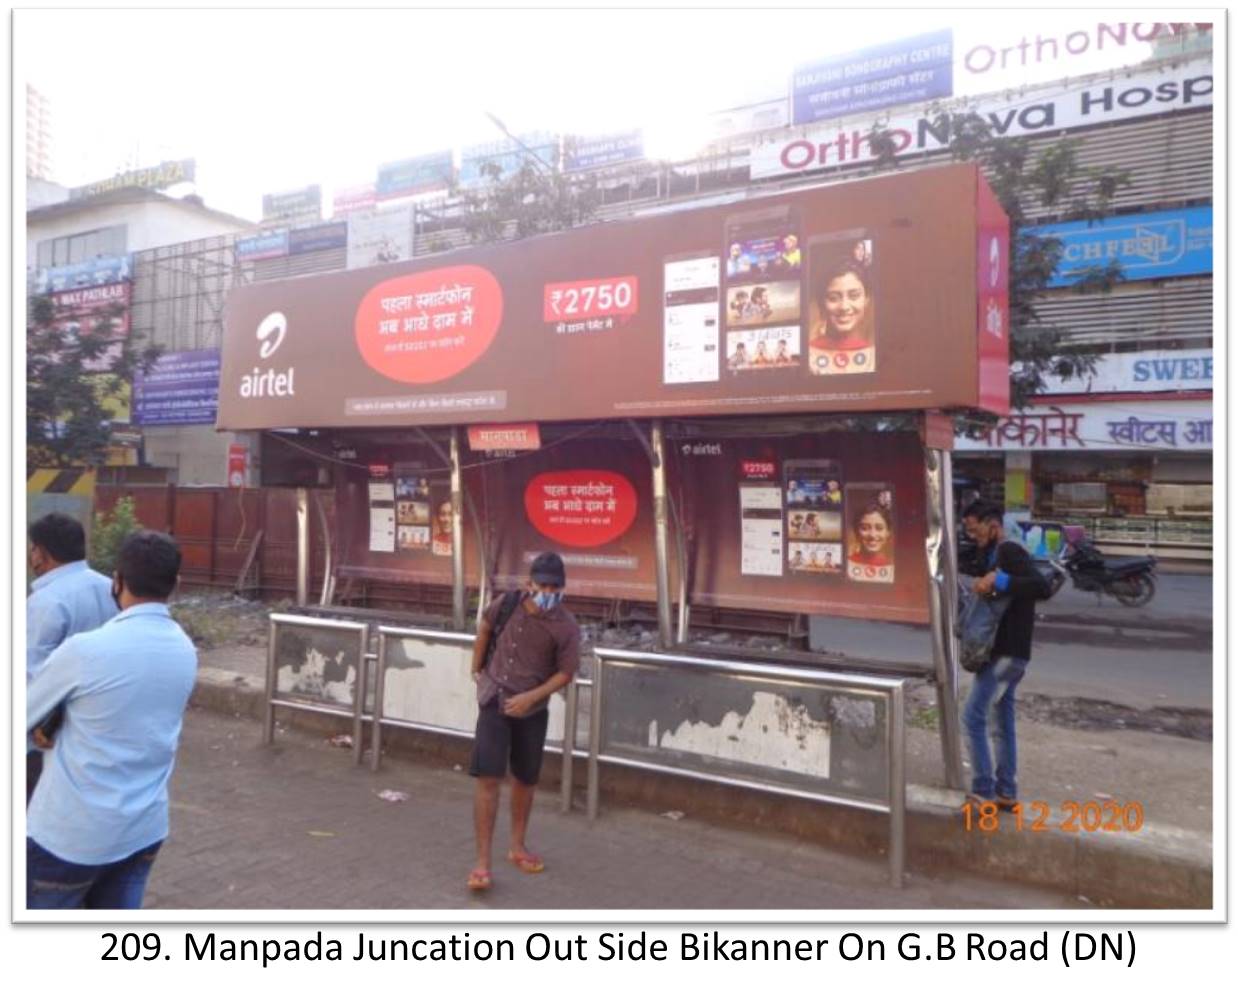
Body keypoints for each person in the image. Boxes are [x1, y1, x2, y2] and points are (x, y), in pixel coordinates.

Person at [26, 530, 198, 909]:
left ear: (117, 580)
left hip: (69, 838)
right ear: (176, 585)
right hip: (142, 831)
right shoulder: (185, 649)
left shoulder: (85, 650)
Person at [467, 552, 580, 891]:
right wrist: (477, 669)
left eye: (554, 586)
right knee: (488, 778)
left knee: (525, 779)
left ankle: (517, 846)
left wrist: (531, 698)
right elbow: (485, 628)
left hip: (531, 711)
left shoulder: (566, 626)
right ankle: (482, 864)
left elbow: (566, 673)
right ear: (529, 583)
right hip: (494, 701)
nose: (548, 591)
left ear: (563, 587)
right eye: (542, 584)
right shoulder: (507, 603)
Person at [959, 499, 1052, 810]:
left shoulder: (1010, 550)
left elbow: (1042, 586)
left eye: (975, 529)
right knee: (1002, 719)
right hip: (1013, 653)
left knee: (972, 717)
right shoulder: (993, 553)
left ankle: (983, 792)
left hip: (1006, 652)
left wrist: (998, 580)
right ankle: (1006, 791)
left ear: (992, 525)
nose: (974, 535)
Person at [26, 513, 116, 802]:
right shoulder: (109, 588)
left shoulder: (47, 600)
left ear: (42, 553)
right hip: (95, 725)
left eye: (32, 548)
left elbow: (31, 674)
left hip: (44, 738)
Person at [809, 260, 874, 353]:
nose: (844, 307)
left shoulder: (871, 354)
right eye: (833, 298)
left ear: (866, 300)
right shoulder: (809, 353)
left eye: (854, 296)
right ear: (821, 303)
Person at [849, 500, 894, 567]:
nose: (872, 535)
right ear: (856, 531)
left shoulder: (891, 567)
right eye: (865, 528)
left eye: (879, 528)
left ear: (888, 532)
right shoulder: (848, 564)